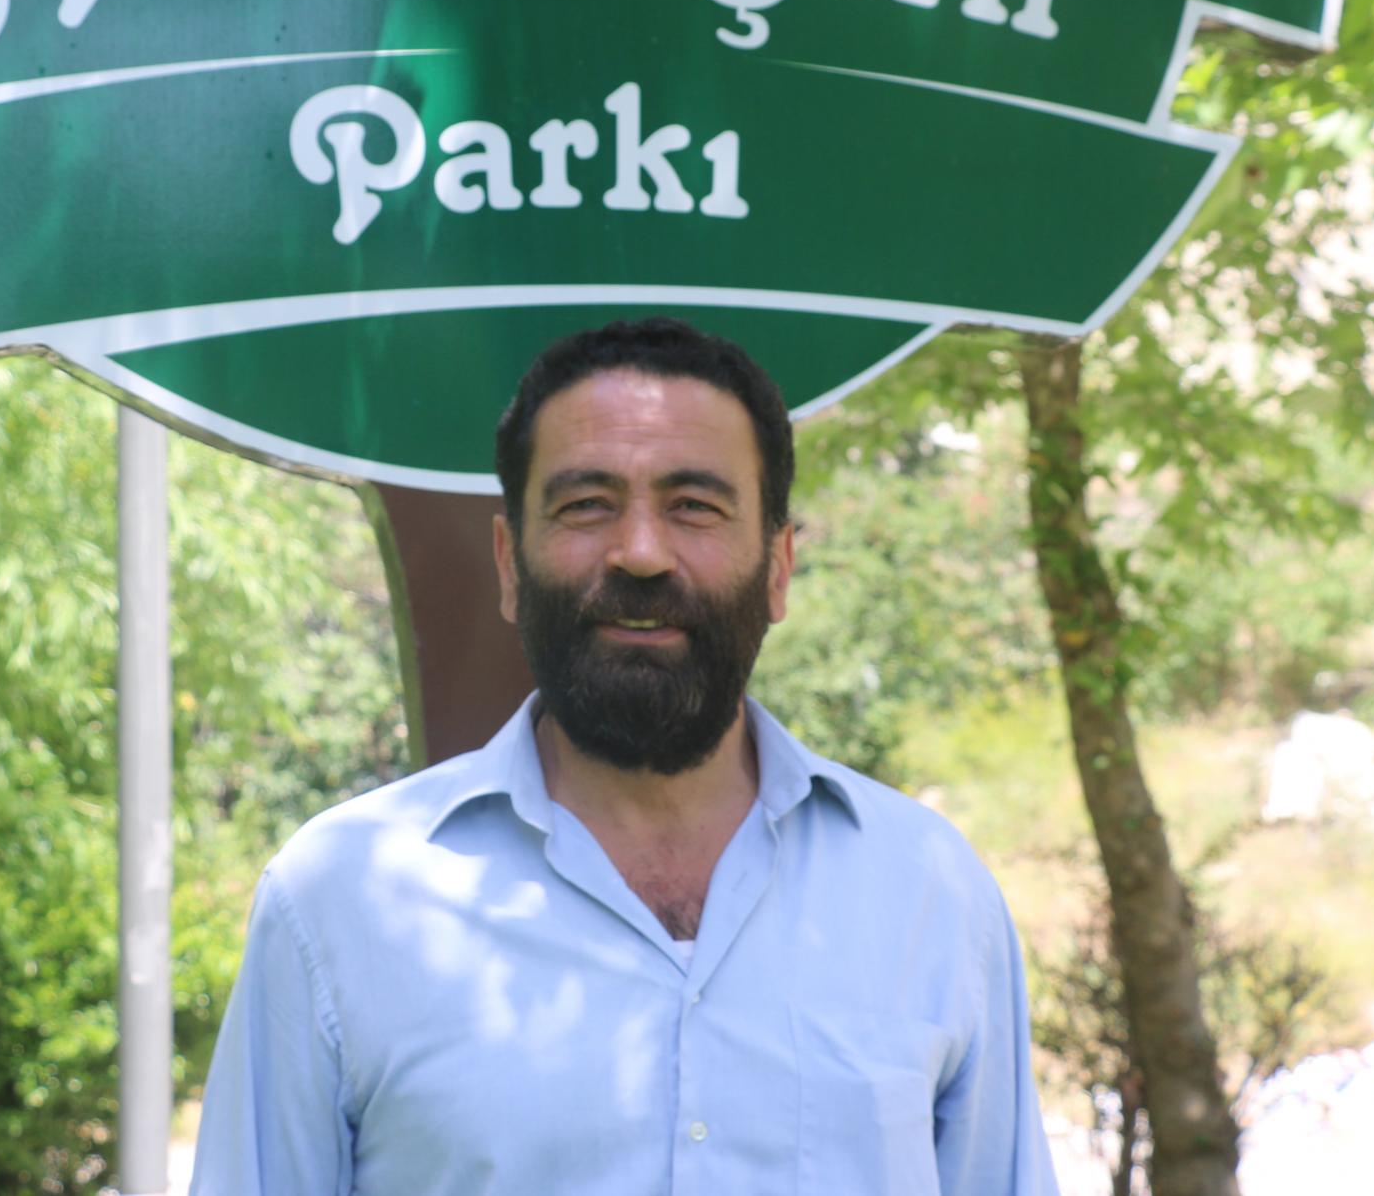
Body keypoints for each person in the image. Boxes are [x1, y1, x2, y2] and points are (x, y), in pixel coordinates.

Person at [190, 317, 1058, 1195]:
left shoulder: (930, 895)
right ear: (509, 564)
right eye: (586, 504)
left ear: (779, 566)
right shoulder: (338, 900)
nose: (640, 551)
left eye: (695, 506)